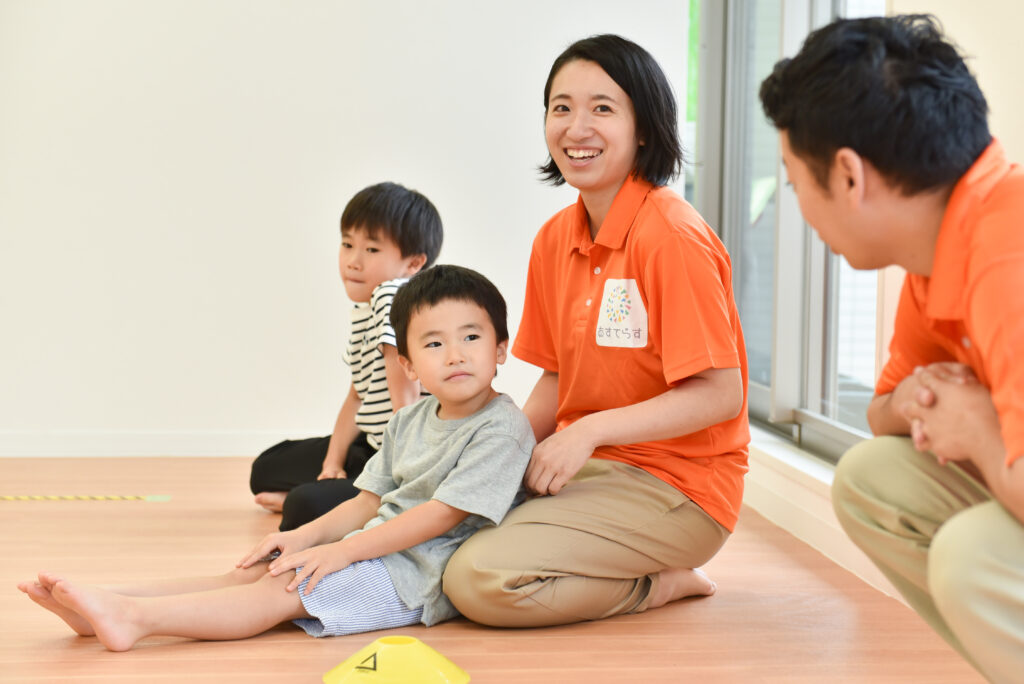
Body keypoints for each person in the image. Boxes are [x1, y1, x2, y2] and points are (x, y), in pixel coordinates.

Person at [18, 265, 534, 651]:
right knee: (254, 573)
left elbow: (442, 514)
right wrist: (303, 537)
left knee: (277, 594)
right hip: (373, 550)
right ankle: (109, 600)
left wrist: (344, 553)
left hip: (416, 578)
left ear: (501, 348)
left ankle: (134, 619)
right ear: (407, 362)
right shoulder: (409, 420)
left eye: (472, 337)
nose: (457, 354)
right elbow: (365, 502)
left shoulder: (502, 427)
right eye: (435, 343)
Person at [443, 34, 749, 627]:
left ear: (643, 128)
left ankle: (660, 585)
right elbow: (559, 377)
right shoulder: (556, 238)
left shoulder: (672, 238)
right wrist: (485, 448)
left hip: (677, 488)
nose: (575, 127)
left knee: (478, 579)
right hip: (585, 471)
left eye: (602, 108)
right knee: (441, 523)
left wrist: (589, 433)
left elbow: (722, 392)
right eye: (561, 107)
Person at [759, 15, 1024, 682]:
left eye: (796, 186)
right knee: (873, 477)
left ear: (848, 176)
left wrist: (978, 429)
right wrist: (917, 402)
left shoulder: (1008, 251)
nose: (801, 207)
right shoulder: (937, 248)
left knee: (976, 556)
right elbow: (883, 413)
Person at [250, 181, 443, 530]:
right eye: (347, 244)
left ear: (413, 263)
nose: (353, 261)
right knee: (265, 469)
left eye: (371, 250)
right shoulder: (365, 308)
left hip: (396, 455)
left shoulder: (392, 296)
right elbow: (357, 395)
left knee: (301, 505)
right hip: (368, 446)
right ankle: (334, 493)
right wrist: (331, 464)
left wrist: (402, 475)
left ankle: (348, 503)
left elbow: (406, 399)